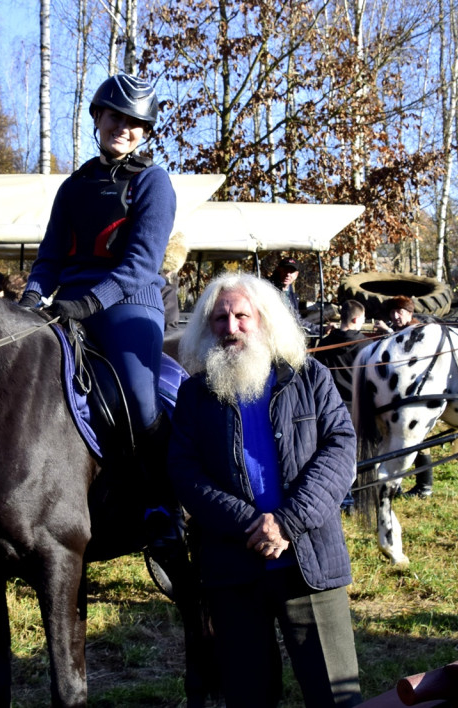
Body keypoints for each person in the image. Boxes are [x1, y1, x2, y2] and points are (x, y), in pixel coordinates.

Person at [169, 273, 362, 708]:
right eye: (219, 318)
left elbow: (340, 447)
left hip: (310, 562)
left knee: (337, 695)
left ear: (264, 319)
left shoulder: (309, 377)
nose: (231, 327)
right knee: (247, 696)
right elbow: (185, 471)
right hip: (233, 570)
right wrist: (249, 524)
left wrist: (287, 523)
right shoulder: (195, 394)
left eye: (241, 315)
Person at [18, 73, 180, 546]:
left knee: (139, 393)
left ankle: (161, 505)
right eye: (116, 117)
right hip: (69, 303)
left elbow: (139, 265)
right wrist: (30, 299)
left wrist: (88, 302)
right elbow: (50, 257)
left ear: (145, 131)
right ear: (98, 117)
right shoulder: (73, 187)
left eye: (135, 122)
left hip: (129, 305)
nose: (123, 128)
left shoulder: (153, 183)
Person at [374, 295, 434, 498]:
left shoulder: (418, 331)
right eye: (393, 312)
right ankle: (396, 485)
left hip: (418, 396)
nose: (395, 316)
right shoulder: (400, 329)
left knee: (419, 439)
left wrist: (389, 334)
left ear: (410, 313)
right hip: (399, 394)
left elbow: (408, 354)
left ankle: (425, 485)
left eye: (400, 312)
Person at [314, 299, 368, 514]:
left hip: (330, 408)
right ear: (356, 319)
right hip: (357, 408)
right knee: (356, 455)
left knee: (332, 454)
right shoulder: (366, 346)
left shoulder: (326, 343)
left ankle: (342, 498)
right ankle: (354, 496)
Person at [268, 257, 321, 337]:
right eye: (285, 270)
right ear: (279, 270)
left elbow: (297, 321)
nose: (288, 274)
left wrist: (321, 329)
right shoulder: (267, 290)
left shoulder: (292, 296)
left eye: (291, 271)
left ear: (296, 275)